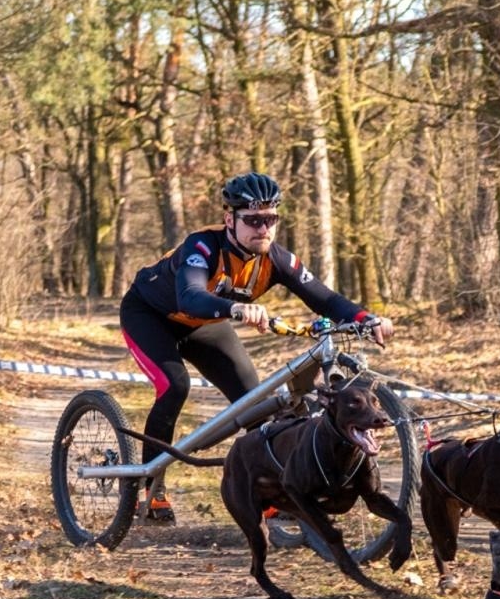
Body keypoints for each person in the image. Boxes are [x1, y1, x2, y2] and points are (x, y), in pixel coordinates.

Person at [119, 171, 394, 522]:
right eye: (253, 220)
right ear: (229, 219)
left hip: (206, 325)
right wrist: (234, 307)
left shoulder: (276, 259)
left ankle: (271, 493)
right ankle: (151, 485)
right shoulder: (202, 247)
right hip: (151, 316)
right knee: (175, 386)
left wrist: (365, 318)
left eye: (271, 219)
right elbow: (190, 297)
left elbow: (325, 298)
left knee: (257, 405)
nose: (263, 228)